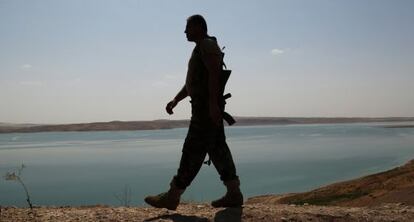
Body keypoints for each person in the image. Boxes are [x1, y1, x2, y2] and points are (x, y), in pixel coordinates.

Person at [144, 14, 243, 210]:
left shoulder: (206, 45)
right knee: (218, 151)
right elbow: (192, 83)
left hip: (205, 111)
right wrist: (176, 100)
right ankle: (234, 193)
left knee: (192, 150)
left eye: (188, 27)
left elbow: (215, 73)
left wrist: (213, 105)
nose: (185, 32)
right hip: (205, 108)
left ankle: (172, 196)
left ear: (199, 27)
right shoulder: (201, 48)